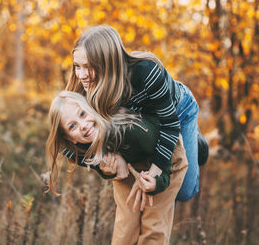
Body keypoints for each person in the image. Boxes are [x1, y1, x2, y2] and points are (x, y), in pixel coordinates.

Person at [66, 25, 208, 202]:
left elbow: (169, 124)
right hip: (142, 127)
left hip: (175, 113)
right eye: (77, 66)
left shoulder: (146, 72)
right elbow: (65, 144)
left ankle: (192, 138)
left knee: (184, 192)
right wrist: (104, 163)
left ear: (109, 62)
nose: (81, 75)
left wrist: (155, 174)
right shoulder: (82, 91)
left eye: (89, 67)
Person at [46, 91, 188, 245]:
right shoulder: (77, 149)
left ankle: (194, 141)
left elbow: (163, 151)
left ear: (91, 107)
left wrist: (156, 182)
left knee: (153, 227)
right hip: (129, 159)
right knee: (125, 229)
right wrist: (108, 169)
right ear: (69, 138)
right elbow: (68, 150)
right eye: (72, 126)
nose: (83, 126)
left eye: (82, 114)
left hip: (164, 156)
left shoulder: (131, 130)